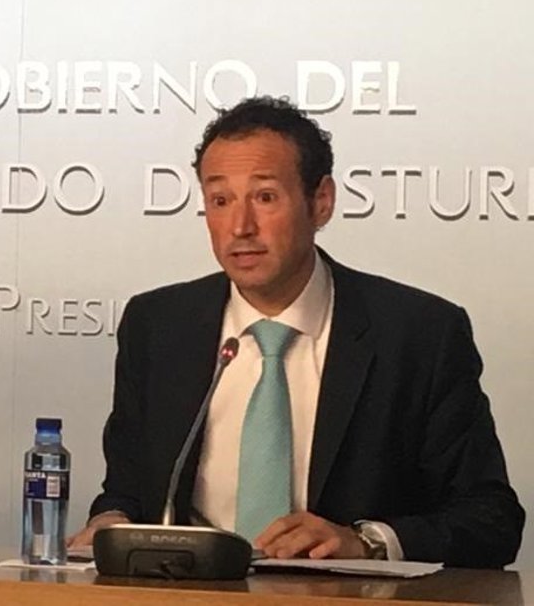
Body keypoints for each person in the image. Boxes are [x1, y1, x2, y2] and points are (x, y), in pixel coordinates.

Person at [70, 96, 524, 567]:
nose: (240, 227)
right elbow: (128, 490)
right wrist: (111, 520)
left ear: (321, 201)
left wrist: (366, 542)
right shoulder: (158, 326)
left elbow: (490, 520)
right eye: (220, 201)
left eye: (265, 197)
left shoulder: (418, 334)